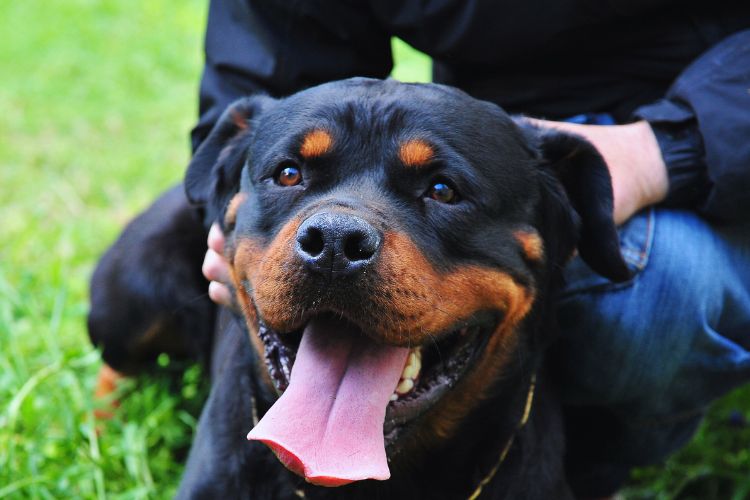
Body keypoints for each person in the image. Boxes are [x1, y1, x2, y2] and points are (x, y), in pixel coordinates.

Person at [196, 1, 750, 497]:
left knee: (649, 298)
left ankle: (606, 461)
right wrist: (215, 225)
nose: (335, 229)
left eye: (441, 191)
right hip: (490, 136)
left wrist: (672, 147)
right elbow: (275, 36)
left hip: (713, 150)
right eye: (291, 174)